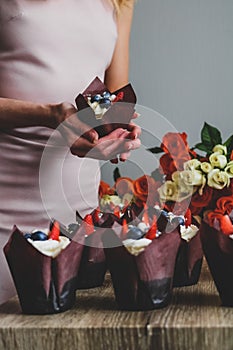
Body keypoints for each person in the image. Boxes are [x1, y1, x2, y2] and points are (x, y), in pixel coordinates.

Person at [0, 0, 140, 304]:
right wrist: (49, 114)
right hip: (6, 212)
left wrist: (117, 134)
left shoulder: (120, 2)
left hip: (78, 219)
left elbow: (113, 99)